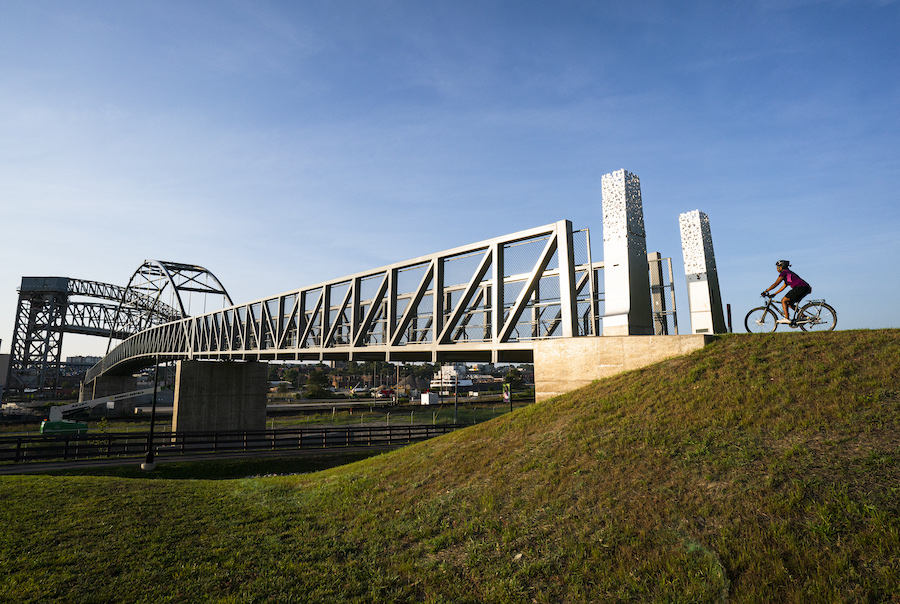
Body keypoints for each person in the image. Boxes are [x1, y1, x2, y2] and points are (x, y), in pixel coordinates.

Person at [762, 260, 811, 324]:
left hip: (800, 287)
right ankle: (803, 316)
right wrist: (775, 294)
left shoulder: (784, 273)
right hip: (805, 288)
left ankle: (787, 318)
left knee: (783, 300)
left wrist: (766, 291)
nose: (777, 269)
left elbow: (776, 283)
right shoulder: (788, 273)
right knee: (789, 303)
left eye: (777, 267)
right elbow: (784, 286)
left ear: (781, 267)